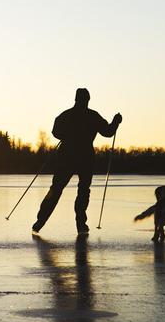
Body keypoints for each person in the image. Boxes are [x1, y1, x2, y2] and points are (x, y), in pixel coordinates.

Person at [32, 88, 122, 235]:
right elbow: (108, 132)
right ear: (87, 100)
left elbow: (56, 132)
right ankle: (81, 225)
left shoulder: (66, 115)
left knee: (56, 189)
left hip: (66, 157)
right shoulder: (92, 116)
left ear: (76, 99)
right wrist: (115, 122)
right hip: (85, 158)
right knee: (83, 191)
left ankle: (39, 222)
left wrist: (67, 135)